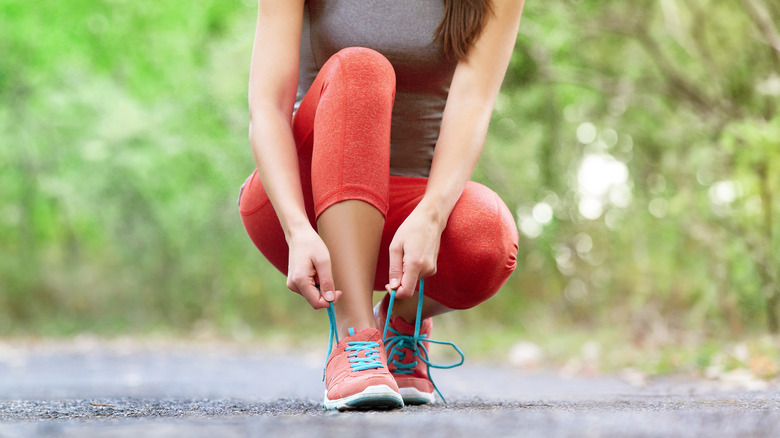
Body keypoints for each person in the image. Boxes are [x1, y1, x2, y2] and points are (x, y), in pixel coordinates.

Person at [239, 0, 523, 410]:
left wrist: (432, 214)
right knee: (361, 68)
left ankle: (400, 322)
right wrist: (296, 227)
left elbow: (472, 103)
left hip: (409, 212)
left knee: (489, 237)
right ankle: (355, 339)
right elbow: (267, 107)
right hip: (301, 202)